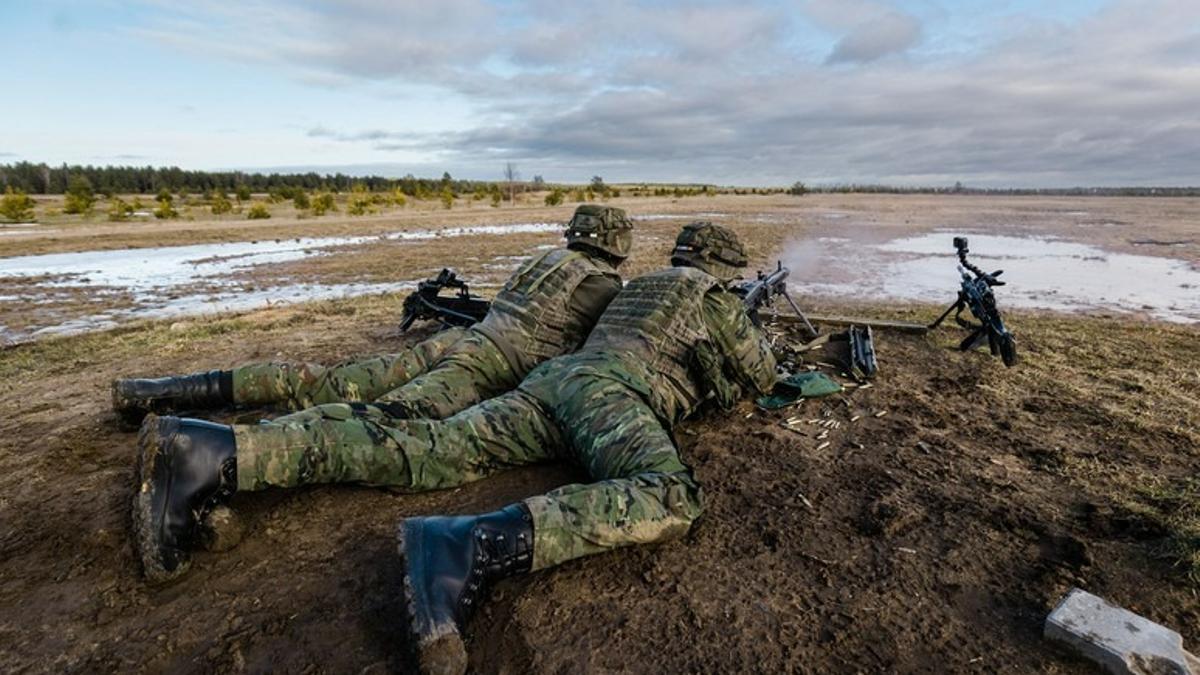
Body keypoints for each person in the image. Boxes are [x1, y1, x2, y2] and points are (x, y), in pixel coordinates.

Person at [131, 222, 777, 675]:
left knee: (431, 444)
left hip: (547, 383)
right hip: (605, 396)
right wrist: (754, 321)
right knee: (671, 494)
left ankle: (218, 453)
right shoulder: (712, 300)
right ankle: (466, 545)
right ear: (722, 268)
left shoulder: (636, 287)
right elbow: (762, 377)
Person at [111, 204, 634, 425]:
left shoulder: (545, 258)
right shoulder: (601, 282)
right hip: (481, 363)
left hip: (461, 343)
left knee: (332, 381)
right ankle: (226, 449)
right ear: (615, 243)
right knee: (388, 420)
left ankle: (162, 390)